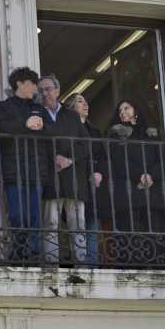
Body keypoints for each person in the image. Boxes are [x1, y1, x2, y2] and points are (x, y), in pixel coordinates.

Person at [0, 67, 49, 262]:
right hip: (13, 168)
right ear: (20, 83)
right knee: (17, 214)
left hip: (37, 169)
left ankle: (33, 253)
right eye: (33, 83)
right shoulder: (3, 107)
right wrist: (25, 124)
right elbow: (2, 129)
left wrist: (41, 126)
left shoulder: (40, 109)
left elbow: (49, 134)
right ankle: (19, 251)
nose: (36, 88)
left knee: (35, 216)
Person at [104, 100, 165, 265]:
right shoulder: (115, 134)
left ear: (135, 111)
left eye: (126, 108)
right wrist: (140, 175)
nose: (122, 112)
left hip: (152, 194)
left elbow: (162, 161)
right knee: (131, 238)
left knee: (154, 238)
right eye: (120, 110)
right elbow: (118, 161)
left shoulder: (152, 134)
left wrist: (152, 175)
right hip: (128, 194)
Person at [38, 75, 91, 264]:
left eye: (48, 89)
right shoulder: (37, 115)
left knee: (78, 223)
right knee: (51, 222)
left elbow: (85, 143)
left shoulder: (72, 115)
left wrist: (69, 159)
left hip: (73, 175)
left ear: (58, 91)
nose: (45, 93)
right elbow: (37, 144)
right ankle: (52, 264)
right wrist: (54, 157)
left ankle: (81, 264)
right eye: (41, 90)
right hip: (51, 176)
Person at [65, 93, 105, 265]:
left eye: (86, 101)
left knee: (93, 227)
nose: (85, 104)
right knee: (77, 227)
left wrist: (99, 172)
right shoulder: (67, 129)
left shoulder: (95, 131)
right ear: (71, 107)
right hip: (76, 182)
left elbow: (103, 157)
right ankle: (81, 266)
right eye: (80, 101)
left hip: (94, 184)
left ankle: (93, 267)